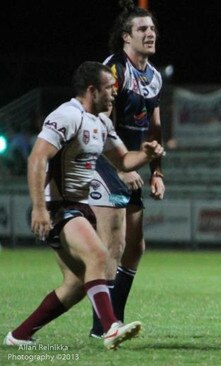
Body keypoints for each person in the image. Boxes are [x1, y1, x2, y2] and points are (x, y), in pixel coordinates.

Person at [3, 61, 165, 349]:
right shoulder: (67, 115)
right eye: (108, 89)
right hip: (58, 208)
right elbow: (37, 158)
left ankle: (19, 336)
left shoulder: (101, 121)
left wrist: (147, 154)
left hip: (79, 208)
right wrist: (39, 208)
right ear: (92, 90)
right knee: (99, 257)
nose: (114, 94)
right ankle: (110, 327)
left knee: (75, 286)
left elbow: (123, 161)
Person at [87, 0, 165, 338]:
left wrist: (157, 171)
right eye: (142, 29)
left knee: (136, 246)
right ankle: (103, 326)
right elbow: (100, 122)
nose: (150, 34)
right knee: (113, 245)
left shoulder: (155, 77)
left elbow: (155, 129)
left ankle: (112, 317)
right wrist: (119, 167)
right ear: (125, 37)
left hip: (130, 166)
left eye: (152, 29)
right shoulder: (113, 70)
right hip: (102, 161)